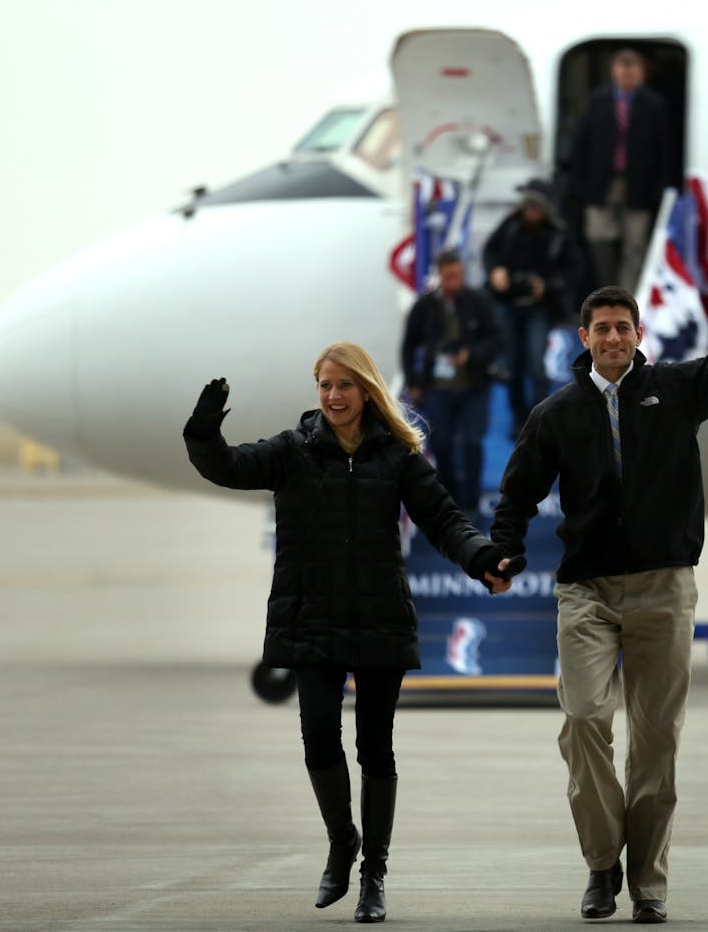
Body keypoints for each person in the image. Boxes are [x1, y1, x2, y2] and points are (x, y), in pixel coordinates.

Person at [491, 241, 708, 924]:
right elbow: (516, 495)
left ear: (638, 335)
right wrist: (501, 553)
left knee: (656, 740)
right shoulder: (558, 415)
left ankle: (647, 884)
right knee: (584, 719)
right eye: (602, 328)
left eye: (624, 327)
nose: (614, 338)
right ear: (585, 339)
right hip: (586, 593)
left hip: (664, 588)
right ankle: (602, 865)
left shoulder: (678, 390)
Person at [183, 341, 520, 923]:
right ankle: (343, 840)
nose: (334, 396)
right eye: (324, 385)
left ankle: (375, 876)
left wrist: (482, 559)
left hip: (378, 618)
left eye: (344, 385)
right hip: (312, 616)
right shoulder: (292, 451)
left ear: (366, 391)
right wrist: (203, 429)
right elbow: (227, 466)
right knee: (317, 736)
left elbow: (443, 519)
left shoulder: (396, 455)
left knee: (375, 749)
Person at [401, 249, 505, 514]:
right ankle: (449, 500)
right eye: (448, 278)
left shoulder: (478, 301)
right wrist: (414, 382)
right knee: (442, 444)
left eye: (458, 276)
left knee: (472, 443)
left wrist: (471, 355)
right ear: (439, 275)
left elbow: (497, 341)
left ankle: (470, 502)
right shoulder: (424, 306)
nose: (453, 283)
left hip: (474, 386)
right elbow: (409, 345)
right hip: (437, 388)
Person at [482, 178, 584, 430]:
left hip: (539, 308)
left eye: (535, 207)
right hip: (508, 304)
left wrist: (546, 285)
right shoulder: (510, 225)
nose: (530, 211)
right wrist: (495, 271)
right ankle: (518, 418)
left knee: (536, 365)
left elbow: (574, 272)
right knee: (513, 365)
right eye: (527, 206)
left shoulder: (560, 235)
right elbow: (489, 250)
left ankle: (539, 418)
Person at [569, 48, 673, 292]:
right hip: (601, 182)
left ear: (641, 73)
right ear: (614, 72)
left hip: (639, 183)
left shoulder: (654, 104)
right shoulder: (598, 100)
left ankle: (627, 296)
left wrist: (661, 185)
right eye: (622, 71)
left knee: (635, 244)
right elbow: (582, 143)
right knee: (598, 237)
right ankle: (608, 289)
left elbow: (665, 148)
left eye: (632, 71)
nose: (627, 76)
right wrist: (579, 181)